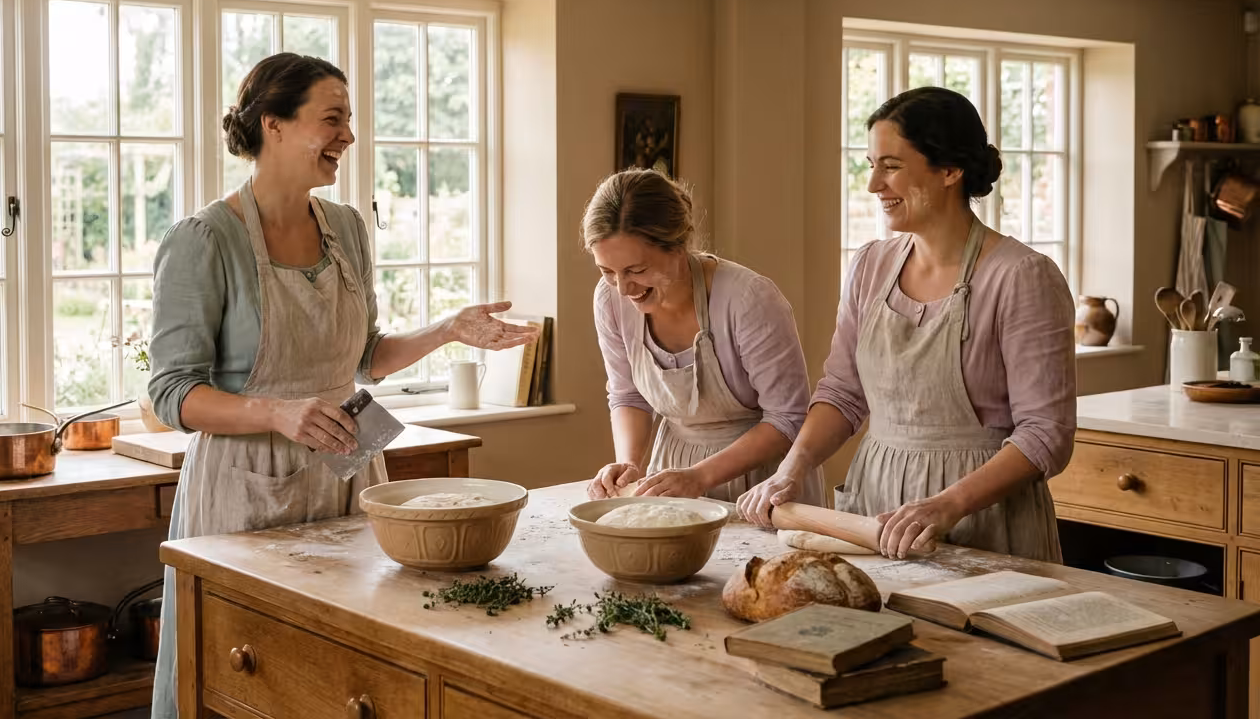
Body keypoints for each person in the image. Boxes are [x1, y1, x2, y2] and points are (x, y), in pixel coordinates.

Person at [147, 53, 536, 718]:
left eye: (349, 120)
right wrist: (277, 413)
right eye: (332, 119)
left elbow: (364, 360)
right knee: (249, 681)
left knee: (346, 681)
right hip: (243, 495)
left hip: (349, 476)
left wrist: (447, 329)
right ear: (273, 124)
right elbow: (172, 393)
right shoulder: (205, 240)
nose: (348, 137)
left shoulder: (348, 230)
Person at [738, 86, 1075, 562]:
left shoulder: (1021, 277)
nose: (874, 183)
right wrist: (790, 470)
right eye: (871, 164)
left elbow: (1046, 434)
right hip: (876, 512)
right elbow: (842, 393)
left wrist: (947, 505)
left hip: (981, 517)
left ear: (951, 171)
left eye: (891, 166)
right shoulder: (870, 266)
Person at [584, 168, 824, 505]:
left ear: (678, 247)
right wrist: (628, 463)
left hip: (762, 484)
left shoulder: (748, 299)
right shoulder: (610, 300)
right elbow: (628, 396)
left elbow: (788, 419)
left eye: (637, 270)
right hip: (673, 472)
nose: (624, 288)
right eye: (607, 271)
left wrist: (701, 476)